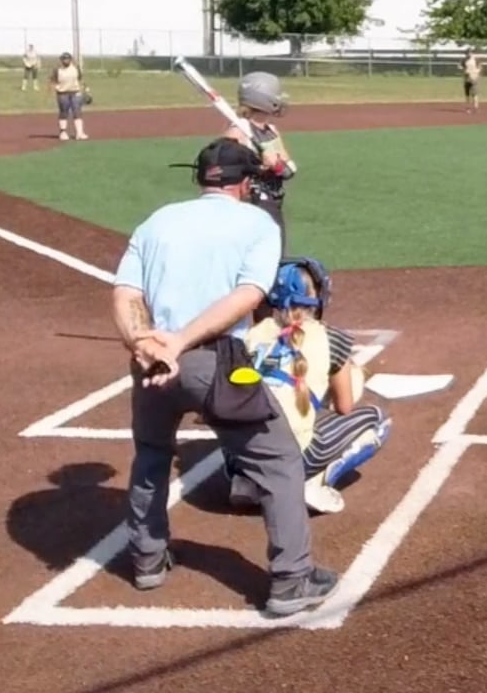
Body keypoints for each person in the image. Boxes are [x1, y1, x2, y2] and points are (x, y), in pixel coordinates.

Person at [113, 138, 336, 618]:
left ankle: (147, 559)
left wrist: (144, 345)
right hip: (213, 359)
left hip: (150, 362)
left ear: (200, 177)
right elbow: (248, 296)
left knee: (151, 454)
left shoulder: (157, 221)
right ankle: (291, 580)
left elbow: (127, 293)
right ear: (245, 182)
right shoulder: (257, 223)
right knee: (279, 460)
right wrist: (180, 342)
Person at [226, 257, 392, 515]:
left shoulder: (251, 335)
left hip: (238, 459)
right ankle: (314, 481)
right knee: (377, 420)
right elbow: (344, 407)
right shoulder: (331, 338)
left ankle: (247, 482)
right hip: (291, 460)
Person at [223, 71, 295, 250]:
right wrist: (259, 166)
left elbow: (288, 170)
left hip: (273, 200)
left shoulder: (271, 130)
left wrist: (276, 165)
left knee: (276, 251)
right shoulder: (237, 133)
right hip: (252, 202)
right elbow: (226, 173)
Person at [52, 51, 88, 142]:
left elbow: (80, 79)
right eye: (64, 59)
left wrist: (85, 89)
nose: (66, 61)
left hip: (75, 92)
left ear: (70, 60)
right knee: (64, 112)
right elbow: (53, 80)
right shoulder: (58, 69)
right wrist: (55, 88)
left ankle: (79, 133)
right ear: (61, 60)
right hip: (62, 93)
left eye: (67, 59)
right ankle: (63, 132)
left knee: (77, 112)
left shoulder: (75, 68)